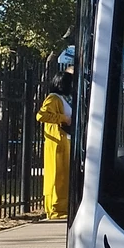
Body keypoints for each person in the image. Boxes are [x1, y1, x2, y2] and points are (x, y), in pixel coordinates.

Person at [36, 70, 74, 221]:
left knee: (64, 176)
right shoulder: (53, 98)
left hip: (65, 140)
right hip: (56, 143)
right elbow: (41, 115)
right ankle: (55, 209)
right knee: (57, 175)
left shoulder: (65, 98)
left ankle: (62, 207)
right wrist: (63, 118)